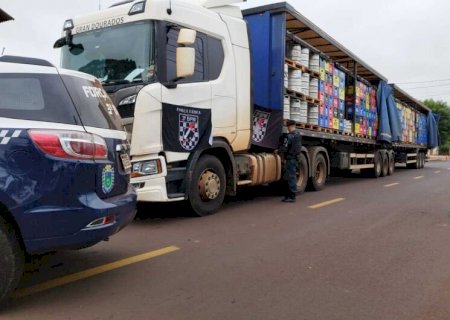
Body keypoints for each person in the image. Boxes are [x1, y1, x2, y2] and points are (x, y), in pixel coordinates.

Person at [279, 119, 302, 203]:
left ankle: (291, 197)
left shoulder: (289, 136)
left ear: (290, 126)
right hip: (295, 158)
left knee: (290, 177)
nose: (287, 128)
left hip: (290, 158)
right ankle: (291, 195)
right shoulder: (298, 134)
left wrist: (278, 151)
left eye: (287, 126)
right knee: (292, 176)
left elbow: (285, 147)